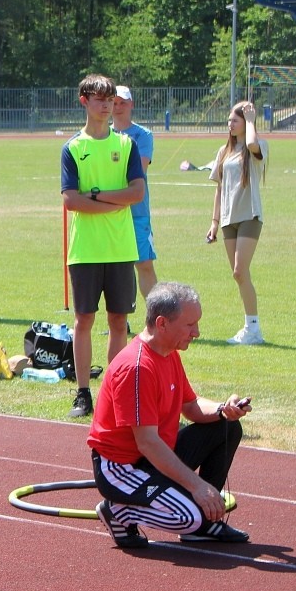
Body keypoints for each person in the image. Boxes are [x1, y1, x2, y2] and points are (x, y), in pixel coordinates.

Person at [89, 282, 252, 548]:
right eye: (190, 325)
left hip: (154, 456)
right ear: (162, 323)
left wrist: (224, 409)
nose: (197, 332)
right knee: (190, 516)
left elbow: (191, 406)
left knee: (227, 427)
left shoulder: (168, 353)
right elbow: (147, 442)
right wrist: (198, 486)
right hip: (124, 469)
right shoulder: (137, 368)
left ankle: (205, 523)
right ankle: (118, 511)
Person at [60, 74, 146, 419]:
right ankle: (83, 393)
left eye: (110, 100)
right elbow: (71, 200)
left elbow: (136, 193)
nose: (106, 105)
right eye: (99, 99)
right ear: (84, 101)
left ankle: (113, 390)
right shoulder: (73, 148)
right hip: (85, 249)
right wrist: (113, 202)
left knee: (118, 320)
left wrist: (96, 196)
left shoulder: (126, 145)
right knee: (83, 320)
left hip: (121, 248)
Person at [206, 101, 268, 346]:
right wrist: (213, 222)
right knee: (239, 275)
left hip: (249, 216)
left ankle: (253, 328)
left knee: (239, 271)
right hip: (228, 219)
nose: (230, 124)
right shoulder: (224, 151)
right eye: (229, 120)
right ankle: (251, 328)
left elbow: (252, 144)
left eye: (235, 120)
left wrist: (252, 119)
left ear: (246, 123)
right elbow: (220, 189)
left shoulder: (258, 145)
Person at [112, 86, 157, 305]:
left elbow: (139, 171)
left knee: (144, 264)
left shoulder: (143, 135)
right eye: (115, 102)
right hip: (110, 211)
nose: (118, 107)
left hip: (137, 211)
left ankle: (157, 318)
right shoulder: (103, 135)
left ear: (132, 104)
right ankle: (121, 318)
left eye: (123, 102)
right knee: (117, 268)